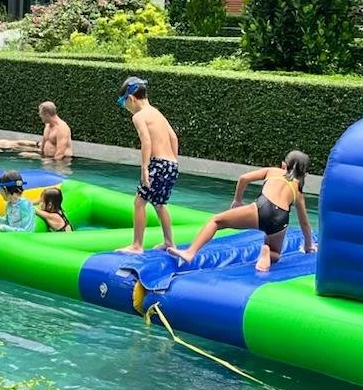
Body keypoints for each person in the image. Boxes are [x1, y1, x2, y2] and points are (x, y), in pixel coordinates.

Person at [172, 151, 315, 273]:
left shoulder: (273, 171)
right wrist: (309, 245)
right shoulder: (298, 191)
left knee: (216, 221)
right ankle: (267, 251)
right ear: (303, 173)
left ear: (284, 165)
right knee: (276, 253)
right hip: (281, 219)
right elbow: (304, 222)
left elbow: (243, 178)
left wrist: (238, 200)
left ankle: (190, 253)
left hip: (262, 207)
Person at [118, 76, 179, 254]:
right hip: (171, 164)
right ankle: (169, 242)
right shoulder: (156, 112)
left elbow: (146, 141)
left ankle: (137, 245)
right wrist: (173, 161)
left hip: (158, 163)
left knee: (139, 202)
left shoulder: (139, 116)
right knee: (159, 204)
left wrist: (145, 167)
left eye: (124, 103)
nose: (126, 108)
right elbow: (173, 137)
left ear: (131, 98)